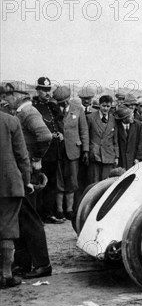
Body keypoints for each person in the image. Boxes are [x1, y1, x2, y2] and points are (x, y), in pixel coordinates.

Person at [3, 82, 53, 279]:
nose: (5, 99)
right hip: (21, 170)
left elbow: (45, 135)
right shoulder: (19, 113)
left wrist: (36, 158)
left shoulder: (29, 112)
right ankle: (23, 264)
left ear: (19, 95)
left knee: (31, 219)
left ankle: (43, 264)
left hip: (27, 171)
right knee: (21, 218)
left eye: (8, 95)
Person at [0, 112, 32, 288]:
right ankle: (6, 275)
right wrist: (27, 181)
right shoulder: (11, 121)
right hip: (9, 184)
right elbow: (22, 155)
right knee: (7, 228)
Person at [53, 86, 89, 221]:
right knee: (59, 180)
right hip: (58, 151)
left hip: (73, 150)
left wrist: (85, 150)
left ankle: (69, 209)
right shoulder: (54, 111)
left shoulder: (78, 109)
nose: (63, 104)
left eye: (64, 101)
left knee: (72, 180)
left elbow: (84, 130)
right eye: (60, 102)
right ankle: (59, 210)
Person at [31, 76, 63, 224]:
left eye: (48, 90)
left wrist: (59, 133)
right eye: (43, 90)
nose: (46, 93)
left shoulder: (51, 106)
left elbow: (57, 122)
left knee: (51, 183)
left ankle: (48, 213)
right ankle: (36, 215)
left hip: (53, 151)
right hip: (40, 152)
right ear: (37, 90)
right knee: (39, 183)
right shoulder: (33, 107)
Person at [87, 95, 119, 183]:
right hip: (95, 154)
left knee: (105, 182)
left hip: (108, 155)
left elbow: (115, 140)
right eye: (103, 106)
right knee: (94, 182)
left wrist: (116, 156)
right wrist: (87, 151)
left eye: (108, 106)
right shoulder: (90, 117)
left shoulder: (113, 119)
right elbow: (86, 136)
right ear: (99, 105)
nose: (105, 108)